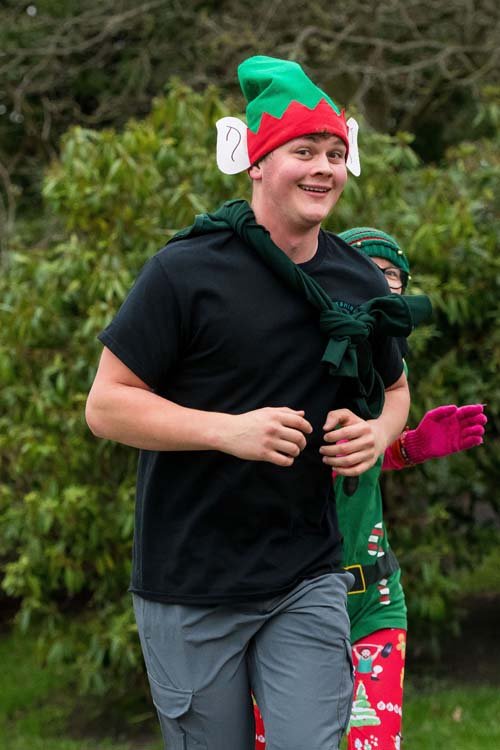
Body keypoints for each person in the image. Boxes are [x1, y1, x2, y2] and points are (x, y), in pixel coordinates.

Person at [85, 57, 431, 750]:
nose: (324, 168)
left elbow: (395, 391)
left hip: (306, 576)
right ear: (257, 162)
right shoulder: (185, 272)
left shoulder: (358, 281)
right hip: (189, 583)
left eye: (334, 153)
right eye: (304, 151)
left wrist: (376, 432)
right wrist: (228, 431)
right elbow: (107, 406)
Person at [253, 227, 485, 750]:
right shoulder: (288, 360)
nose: (381, 283)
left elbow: (366, 463)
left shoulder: (386, 375)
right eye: (368, 271)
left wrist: (409, 446)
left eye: (392, 276)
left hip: (374, 602)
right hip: (286, 600)